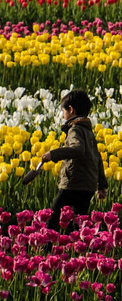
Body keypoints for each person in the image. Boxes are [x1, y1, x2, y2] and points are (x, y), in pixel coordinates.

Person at [27, 89, 108, 233]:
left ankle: (46, 245)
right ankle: (83, 248)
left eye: (63, 111)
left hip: (73, 183)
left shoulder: (75, 129)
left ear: (71, 110)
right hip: (88, 185)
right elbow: (98, 159)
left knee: (53, 215)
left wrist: (53, 154)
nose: (63, 114)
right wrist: (102, 185)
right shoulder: (88, 131)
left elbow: (77, 149)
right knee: (80, 221)